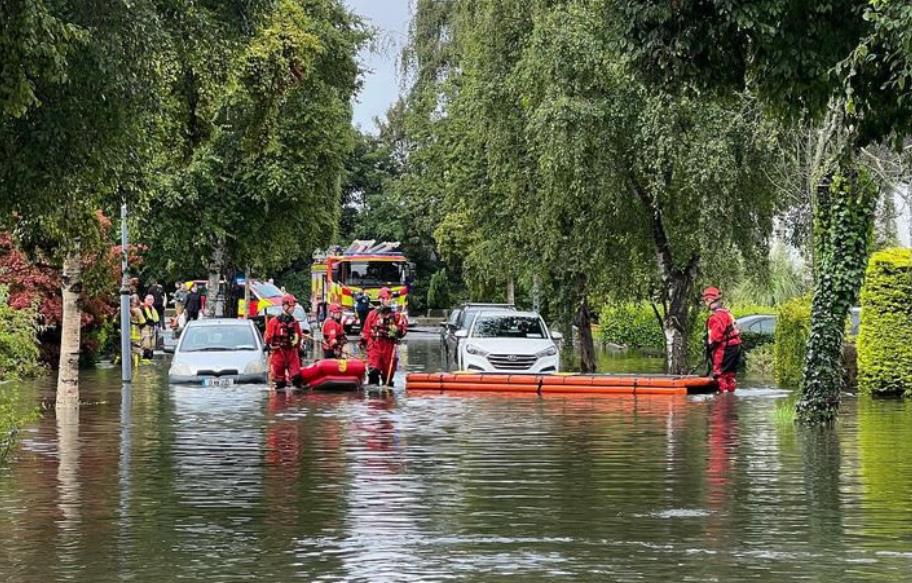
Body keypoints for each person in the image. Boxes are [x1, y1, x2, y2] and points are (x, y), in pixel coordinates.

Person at [360, 287, 407, 387]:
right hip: (375, 345)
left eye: (390, 299)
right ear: (381, 299)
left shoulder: (396, 316)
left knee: (388, 377)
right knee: (373, 371)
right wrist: (363, 342)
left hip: (389, 346)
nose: (389, 301)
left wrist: (396, 330)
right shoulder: (372, 314)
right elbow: (366, 330)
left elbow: (402, 331)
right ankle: (374, 396)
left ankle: (387, 393)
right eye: (386, 298)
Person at [702, 287, 742, 392]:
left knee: (719, 374)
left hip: (725, 349)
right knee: (730, 375)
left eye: (706, 301)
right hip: (736, 348)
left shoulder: (716, 317)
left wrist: (709, 347)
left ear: (710, 300)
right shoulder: (727, 313)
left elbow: (716, 338)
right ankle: (730, 398)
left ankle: (721, 402)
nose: (705, 304)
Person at [264, 294, 304, 389]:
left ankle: (294, 402)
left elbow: (298, 337)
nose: (293, 309)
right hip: (279, 352)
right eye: (291, 306)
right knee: (279, 382)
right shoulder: (274, 322)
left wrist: (299, 349)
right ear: (285, 306)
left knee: (297, 378)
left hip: (292, 352)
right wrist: (267, 345)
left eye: (293, 306)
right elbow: (268, 337)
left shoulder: (295, 322)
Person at [140, 294, 160, 359]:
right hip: (145, 327)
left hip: (153, 327)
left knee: (152, 345)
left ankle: (150, 357)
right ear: (145, 300)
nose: (150, 301)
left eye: (151, 300)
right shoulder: (143, 308)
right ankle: (146, 358)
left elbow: (156, 318)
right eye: (148, 300)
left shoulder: (153, 308)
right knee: (146, 344)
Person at [129, 294, 146, 364]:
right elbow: (143, 322)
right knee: (137, 351)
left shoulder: (123, 309)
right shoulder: (138, 310)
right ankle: (137, 367)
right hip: (136, 333)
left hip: (125, 334)